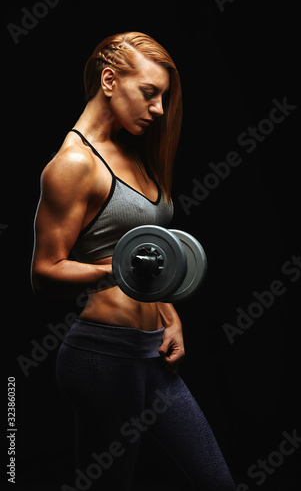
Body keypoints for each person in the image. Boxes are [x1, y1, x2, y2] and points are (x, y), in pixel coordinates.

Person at [31, 32, 235, 490]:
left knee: (216, 481)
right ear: (109, 80)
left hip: (153, 353)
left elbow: (150, 256)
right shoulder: (73, 164)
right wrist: (119, 271)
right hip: (103, 354)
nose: (159, 109)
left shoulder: (132, 155)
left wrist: (169, 312)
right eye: (149, 93)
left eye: (162, 97)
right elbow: (45, 272)